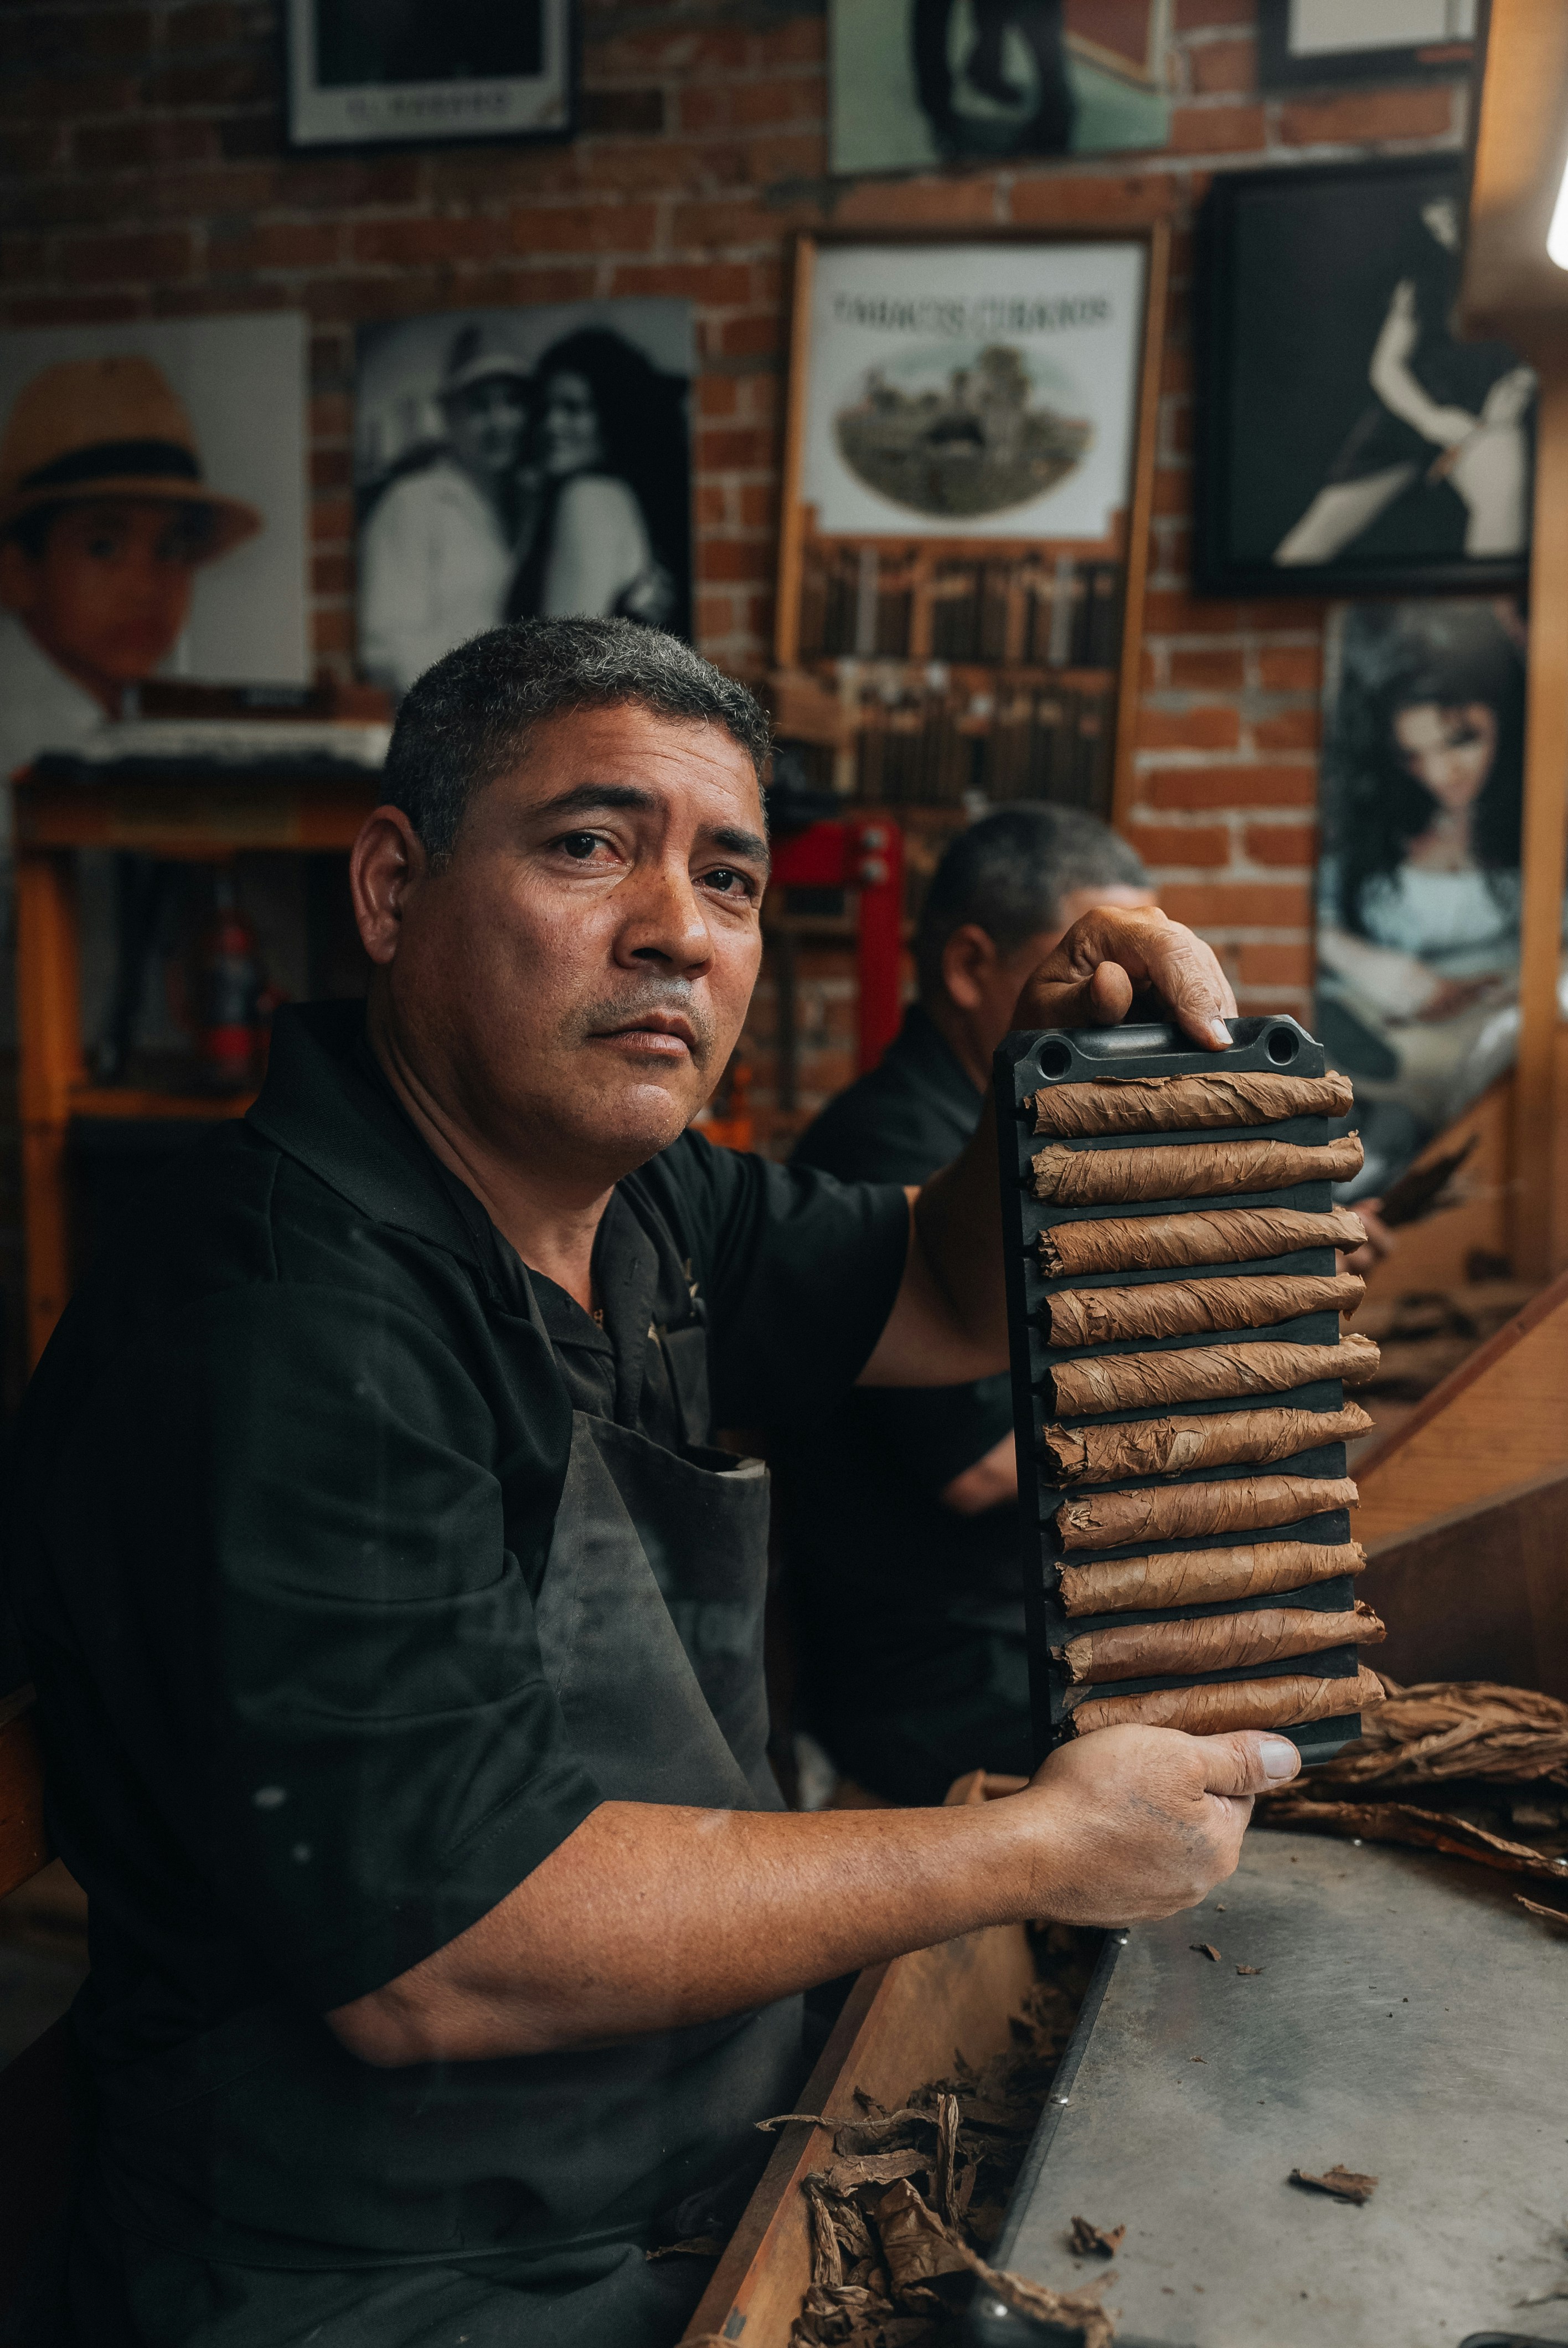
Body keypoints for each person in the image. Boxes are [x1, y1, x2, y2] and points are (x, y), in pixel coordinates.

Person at [8, 620, 1298, 2348]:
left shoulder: (641, 1208)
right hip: (385, 2266)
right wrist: (1035, 1847)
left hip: (669, 2142)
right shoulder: (285, 1319)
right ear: (392, 891)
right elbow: (450, 1952)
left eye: (730, 878)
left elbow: (939, 1288)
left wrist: (1032, 1092)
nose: (676, 931)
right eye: (587, 846)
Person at [777, 806, 1154, 1804]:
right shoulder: (886, 1152)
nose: (1123, 1012)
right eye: (1091, 974)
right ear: (969, 966)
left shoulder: (1018, 1124)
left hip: (1025, 1621)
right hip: (935, 1673)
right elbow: (980, 1467)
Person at [0, 353, 262, 1057]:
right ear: (19, 570)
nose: (147, 585)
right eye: (105, 545)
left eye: (171, 548)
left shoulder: (128, 738)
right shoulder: (30, 753)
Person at [1317, 602, 1530, 1139]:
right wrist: (1375, 968)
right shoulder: (1373, 808)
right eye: (1413, 753)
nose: (1439, 774)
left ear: (1505, 714)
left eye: (1462, 740)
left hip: (1501, 1035)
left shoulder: (1535, 808)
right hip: (1376, 1024)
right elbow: (1298, 918)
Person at [1275, 198, 1536, 570]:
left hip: (1484, 417)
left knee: (1503, 492)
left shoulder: (1527, 266)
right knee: (1312, 541)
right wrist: (1431, 419)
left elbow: (1547, 345)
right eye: (1436, 223)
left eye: (1450, 215)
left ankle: (1492, 614)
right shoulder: (1421, 284)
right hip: (1410, 413)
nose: (1445, 227)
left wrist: (1520, 388)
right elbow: (1386, 368)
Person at [359, 321, 535, 694]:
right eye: (480, 407)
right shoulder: (413, 503)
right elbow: (385, 648)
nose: (499, 421)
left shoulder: (530, 504)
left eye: (511, 402)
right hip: (448, 728)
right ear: (450, 416)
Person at [507, 327, 690, 636]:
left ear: (612, 416)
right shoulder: (618, 495)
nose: (551, 425)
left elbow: (561, 657)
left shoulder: (587, 498)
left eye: (573, 408)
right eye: (545, 409)